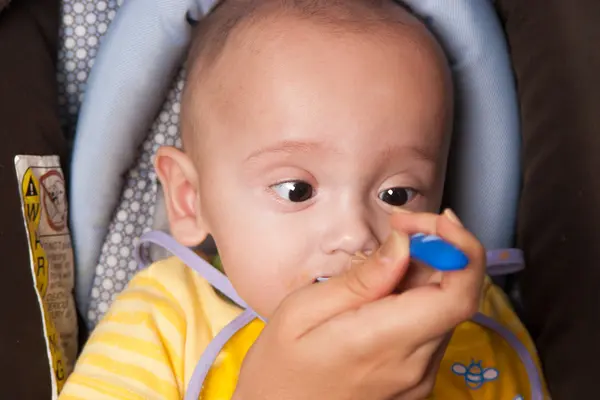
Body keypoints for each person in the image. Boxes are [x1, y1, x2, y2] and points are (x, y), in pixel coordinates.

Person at [59, 0, 548, 398]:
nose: (355, 231)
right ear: (189, 199)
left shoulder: (466, 317)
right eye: (298, 190)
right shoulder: (163, 322)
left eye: (396, 193)